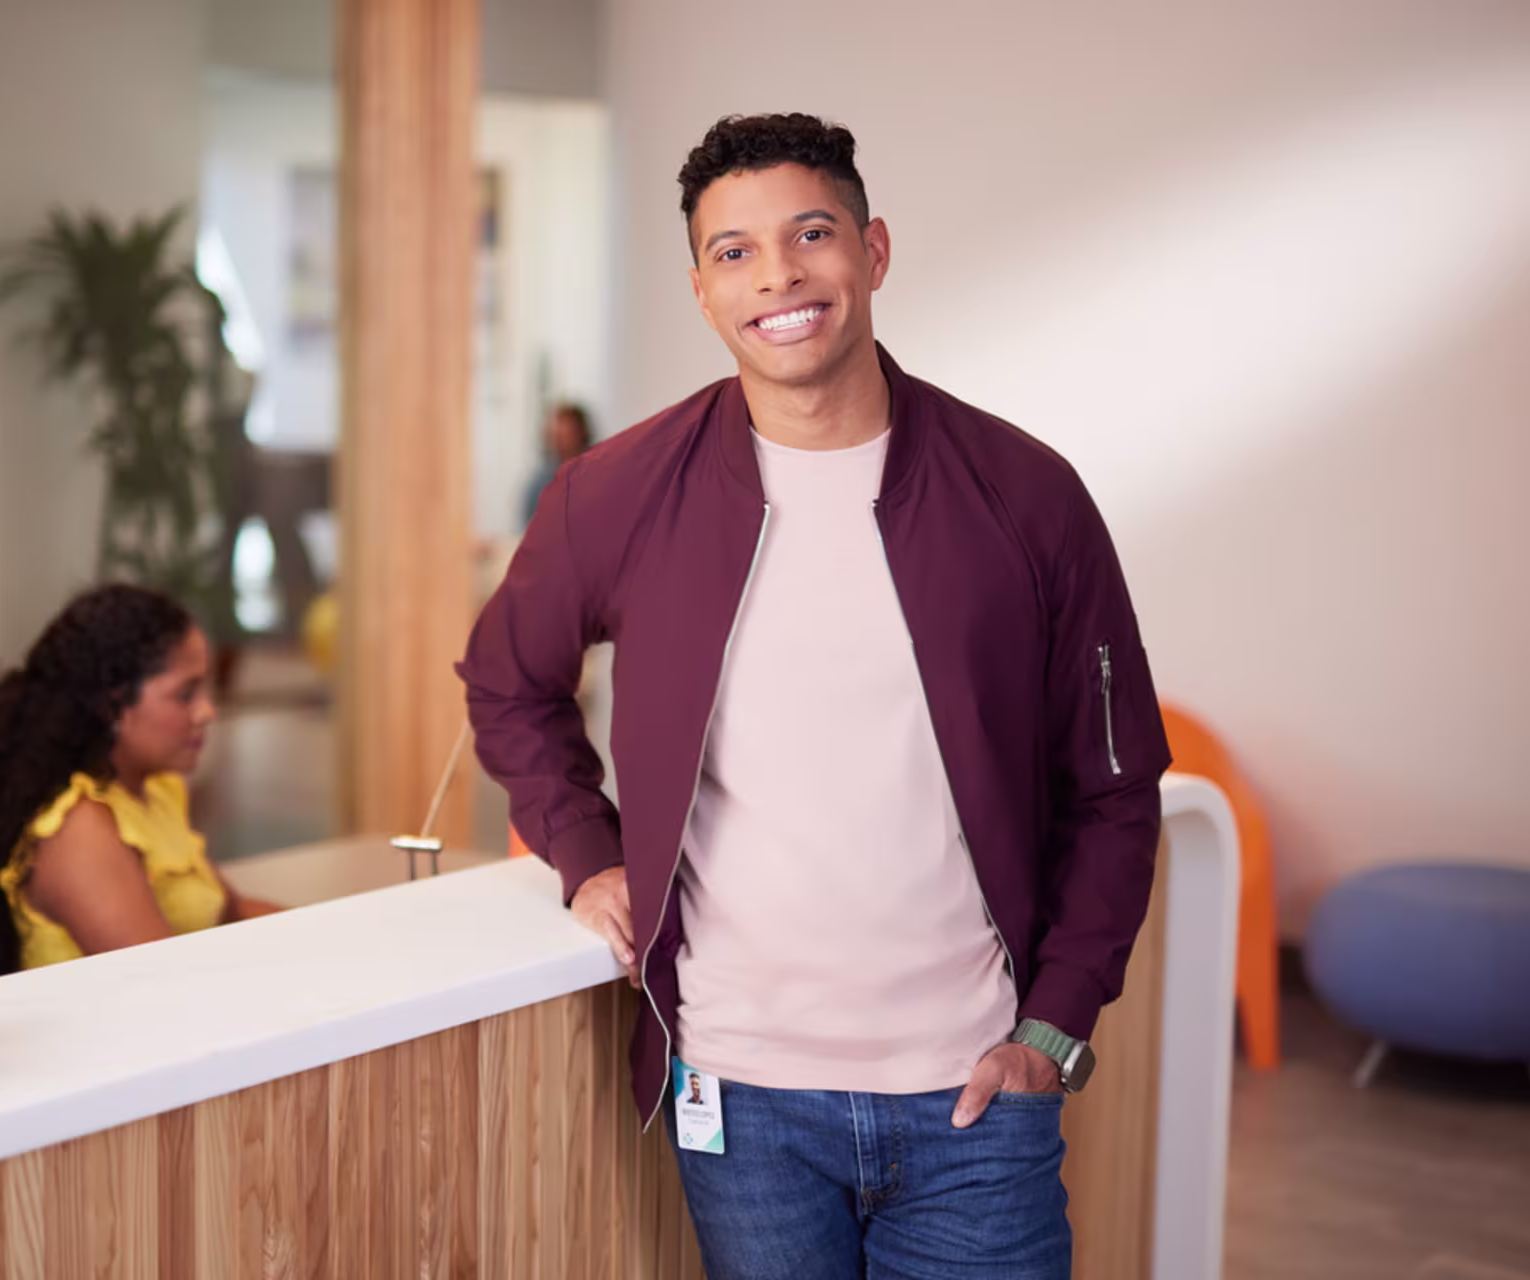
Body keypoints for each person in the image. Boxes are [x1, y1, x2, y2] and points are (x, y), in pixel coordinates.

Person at [459, 113, 1171, 1279]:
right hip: (739, 1103)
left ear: (874, 250)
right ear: (701, 290)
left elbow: (1115, 785)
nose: (778, 276)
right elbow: (507, 678)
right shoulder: (619, 493)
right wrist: (588, 852)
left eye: (810, 234)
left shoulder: (1028, 495)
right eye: (734, 252)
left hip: (975, 1099)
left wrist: (1057, 1025)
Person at [0, 584, 281, 977]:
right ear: (112, 705)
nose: (207, 711)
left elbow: (230, 911)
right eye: (185, 695)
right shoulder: (79, 832)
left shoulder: (155, 789)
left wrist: (332, 938)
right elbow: (164, 989)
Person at [519, 401, 594, 530]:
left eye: (566, 433)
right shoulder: (540, 481)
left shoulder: (597, 473)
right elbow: (527, 523)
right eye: (557, 434)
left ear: (581, 433)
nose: (560, 439)